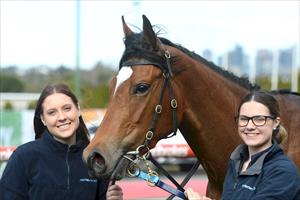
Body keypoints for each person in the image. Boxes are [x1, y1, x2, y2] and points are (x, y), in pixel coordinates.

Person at [0, 83, 123, 200]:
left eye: (67, 108)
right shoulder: (23, 157)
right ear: (43, 119)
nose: (62, 117)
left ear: (78, 109)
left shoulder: (95, 158)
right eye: (52, 112)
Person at [185, 90, 300, 200]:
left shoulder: (282, 171)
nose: (249, 126)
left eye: (259, 119)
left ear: (276, 122)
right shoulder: (236, 160)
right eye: (244, 119)